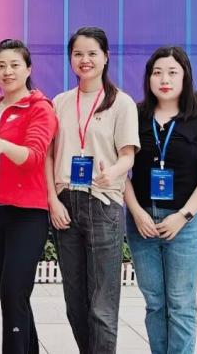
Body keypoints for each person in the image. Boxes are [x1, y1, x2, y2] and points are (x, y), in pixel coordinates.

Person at [46, 26, 139, 354]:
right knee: (75, 302)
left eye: (92, 53)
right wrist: (52, 200)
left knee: (102, 304)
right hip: (65, 203)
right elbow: (49, 155)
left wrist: (111, 172)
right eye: (78, 54)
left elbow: (127, 155)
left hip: (102, 203)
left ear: (106, 57)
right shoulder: (60, 102)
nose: (85, 60)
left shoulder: (121, 103)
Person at [124, 47, 197, 354]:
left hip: (184, 223)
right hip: (142, 222)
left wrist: (183, 216)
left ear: (185, 77)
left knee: (180, 303)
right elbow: (122, 170)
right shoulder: (134, 116)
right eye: (157, 73)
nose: (164, 79)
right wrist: (136, 212)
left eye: (172, 72)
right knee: (154, 302)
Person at [0, 38, 57, 354]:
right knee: (11, 295)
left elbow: (35, 157)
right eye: (0, 66)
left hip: (26, 214)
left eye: (14, 65)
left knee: (13, 292)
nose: (7, 71)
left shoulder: (40, 108)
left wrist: (2, 145)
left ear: (28, 69)